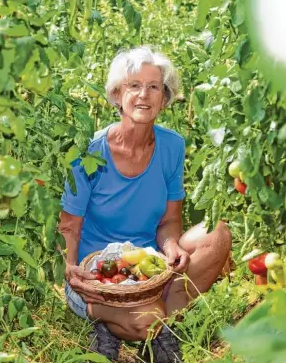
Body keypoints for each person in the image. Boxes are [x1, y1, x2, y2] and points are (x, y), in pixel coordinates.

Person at [59, 46, 232, 362]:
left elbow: (169, 222)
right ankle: (135, 323)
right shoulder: (89, 152)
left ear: (164, 99)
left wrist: (172, 249)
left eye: (154, 87)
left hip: (149, 274)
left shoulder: (172, 146)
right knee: (147, 319)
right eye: (134, 86)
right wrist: (72, 270)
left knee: (217, 234)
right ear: (116, 94)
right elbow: (70, 224)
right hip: (97, 277)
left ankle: (137, 325)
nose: (144, 95)